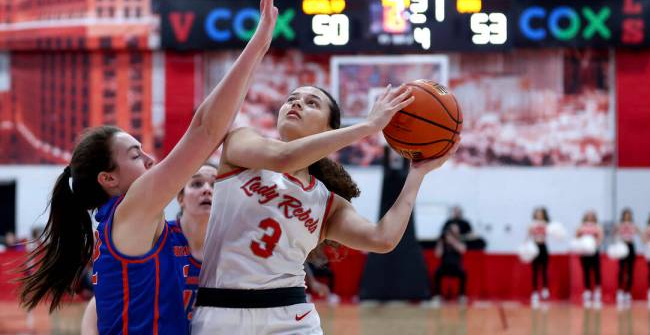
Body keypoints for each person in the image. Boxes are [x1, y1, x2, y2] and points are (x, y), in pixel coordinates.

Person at [20, 0, 277, 334]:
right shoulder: (132, 207)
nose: (151, 160)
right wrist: (258, 44)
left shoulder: (151, 228)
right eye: (136, 155)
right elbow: (204, 129)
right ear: (109, 179)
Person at [192, 84, 458, 333]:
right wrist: (367, 126)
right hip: (221, 310)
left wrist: (418, 174)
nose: (296, 104)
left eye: (311, 103)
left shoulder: (327, 203)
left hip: (291, 316)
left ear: (329, 130)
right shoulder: (242, 143)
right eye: (292, 100)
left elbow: (383, 238)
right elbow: (283, 158)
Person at [80, 163, 217, 334]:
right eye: (196, 184)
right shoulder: (156, 237)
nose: (207, 190)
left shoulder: (228, 251)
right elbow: (97, 306)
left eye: (215, 185)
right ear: (181, 198)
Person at [433, 223, 467, 304]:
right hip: (444, 266)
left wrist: (453, 242)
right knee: (437, 273)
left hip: (456, 267)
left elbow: (462, 250)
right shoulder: (443, 242)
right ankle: (438, 295)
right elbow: (438, 254)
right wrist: (441, 242)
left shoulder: (459, 239)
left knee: (463, 274)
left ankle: (462, 295)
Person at [577, 210, 603, 309]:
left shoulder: (597, 227)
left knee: (596, 270)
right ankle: (587, 291)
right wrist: (583, 244)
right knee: (586, 271)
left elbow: (600, 237)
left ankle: (597, 290)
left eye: (592, 216)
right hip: (584, 252)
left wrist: (593, 244)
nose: (590, 218)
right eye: (588, 216)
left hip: (594, 251)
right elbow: (577, 236)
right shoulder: (581, 227)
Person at [614, 208, 639, 307]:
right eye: (625, 215)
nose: (627, 217)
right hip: (622, 247)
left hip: (631, 246)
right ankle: (620, 290)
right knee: (621, 269)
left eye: (629, 215)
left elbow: (641, 233)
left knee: (630, 270)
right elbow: (614, 234)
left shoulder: (634, 225)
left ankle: (627, 291)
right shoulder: (619, 225)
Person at [528, 207, 550, 308]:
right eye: (537, 213)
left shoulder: (547, 224)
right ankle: (535, 292)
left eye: (541, 214)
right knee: (535, 270)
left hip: (543, 247)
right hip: (534, 247)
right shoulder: (532, 224)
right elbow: (528, 235)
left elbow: (551, 233)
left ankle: (545, 288)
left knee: (544, 269)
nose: (539, 215)